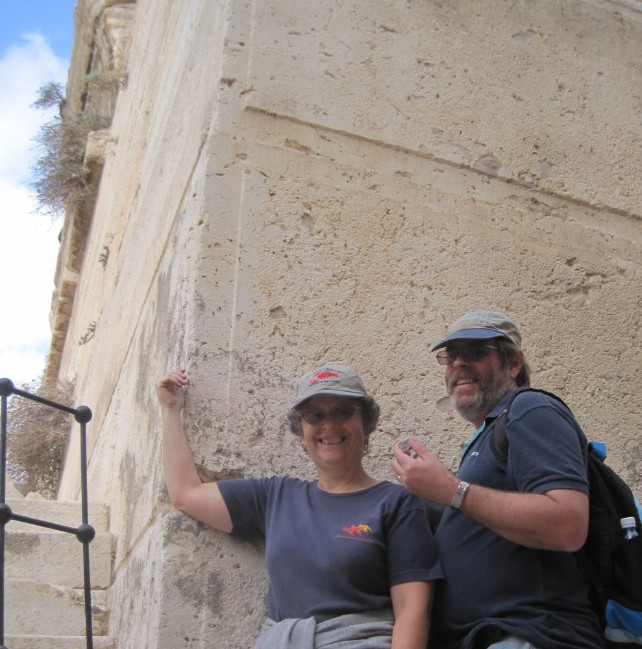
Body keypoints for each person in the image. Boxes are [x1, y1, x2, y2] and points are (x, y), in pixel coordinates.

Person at [157, 364, 442, 649]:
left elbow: (412, 611)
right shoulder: (275, 497)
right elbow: (185, 493)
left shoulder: (396, 504)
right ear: (301, 431)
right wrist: (170, 410)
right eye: (314, 415)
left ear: (366, 425)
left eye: (343, 412)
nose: (328, 425)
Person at [392, 310, 605, 649]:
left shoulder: (529, 409)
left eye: (476, 352)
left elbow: (567, 524)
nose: (459, 363)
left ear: (514, 364)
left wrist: (450, 490)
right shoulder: (488, 435)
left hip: (532, 635)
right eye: (451, 355)